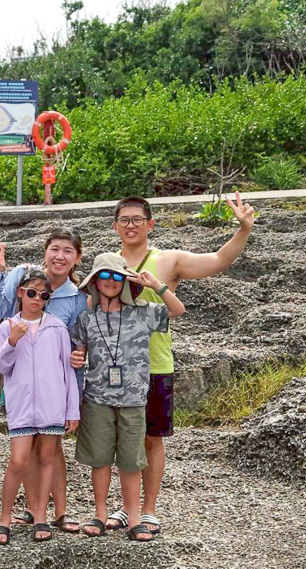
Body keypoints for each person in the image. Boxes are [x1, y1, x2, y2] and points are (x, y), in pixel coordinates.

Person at [78, 193, 255, 535]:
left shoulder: (169, 260)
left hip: (155, 364)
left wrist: (243, 231)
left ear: (150, 224)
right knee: (114, 438)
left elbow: (217, 260)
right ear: (114, 226)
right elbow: (86, 305)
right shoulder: (107, 264)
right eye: (124, 220)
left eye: (137, 219)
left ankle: (148, 509)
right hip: (112, 371)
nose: (131, 225)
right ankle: (122, 507)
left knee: (151, 438)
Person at [70, 253, 184, 542]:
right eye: (104, 276)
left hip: (134, 398)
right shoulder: (86, 318)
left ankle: (134, 518)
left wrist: (156, 285)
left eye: (117, 276)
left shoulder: (144, 311)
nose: (110, 282)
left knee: (132, 461)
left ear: (126, 280)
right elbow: (76, 351)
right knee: (100, 460)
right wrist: (76, 356)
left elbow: (177, 309)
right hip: (96, 398)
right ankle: (99, 512)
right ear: (94, 281)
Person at [0, 230, 88, 533]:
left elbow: (80, 339)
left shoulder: (77, 296)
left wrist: (81, 355)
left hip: (56, 380)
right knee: (24, 452)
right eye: (54, 249)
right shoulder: (22, 278)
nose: (60, 256)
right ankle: (32, 510)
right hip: (19, 381)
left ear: (77, 257)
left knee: (51, 450)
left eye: (68, 251)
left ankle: (58, 511)